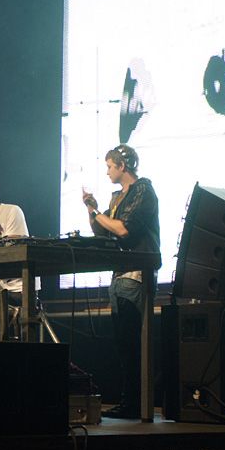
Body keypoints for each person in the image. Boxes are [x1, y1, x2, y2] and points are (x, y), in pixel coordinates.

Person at [82, 145, 160, 419]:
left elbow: (124, 229)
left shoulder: (142, 190)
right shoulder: (118, 197)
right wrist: (92, 210)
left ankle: (134, 404)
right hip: (120, 273)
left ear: (122, 166)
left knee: (131, 343)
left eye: (109, 166)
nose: (107, 172)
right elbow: (103, 230)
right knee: (124, 344)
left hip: (135, 272)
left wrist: (99, 214)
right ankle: (131, 402)